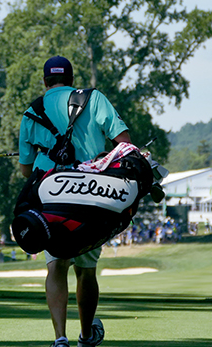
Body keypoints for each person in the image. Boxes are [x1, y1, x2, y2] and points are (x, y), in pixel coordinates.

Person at [18, 56, 130, 347]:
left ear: (45, 82)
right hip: (91, 194)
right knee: (86, 269)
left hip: (50, 196)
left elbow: (25, 170)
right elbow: (124, 141)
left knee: (56, 265)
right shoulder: (93, 99)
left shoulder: (32, 112)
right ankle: (86, 335)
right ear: (70, 78)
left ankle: (60, 339)